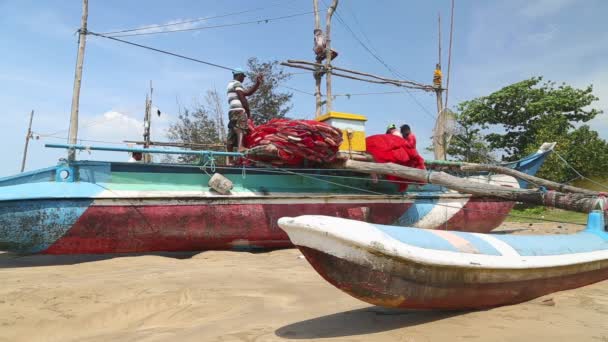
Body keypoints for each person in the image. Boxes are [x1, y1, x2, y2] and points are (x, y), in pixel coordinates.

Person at [226, 68, 263, 162]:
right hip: (238, 110)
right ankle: (240, 147)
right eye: (243, 77)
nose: (243, 79)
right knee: (240, 128)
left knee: (232, 133)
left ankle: (230, 160)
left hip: (232, 111)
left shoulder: (230, 84)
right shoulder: (237, 84)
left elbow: (247, 93)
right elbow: (243, 97)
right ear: (240, 75)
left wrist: (257, 84)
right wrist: (247, 111)